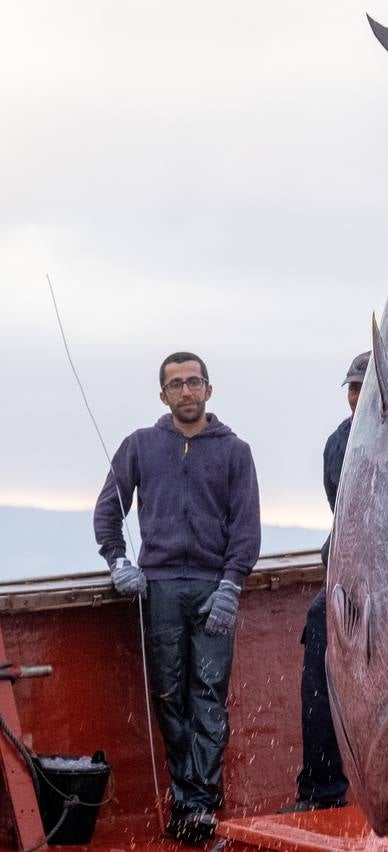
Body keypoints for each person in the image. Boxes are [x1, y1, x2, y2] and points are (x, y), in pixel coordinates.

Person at [94, 352, 260, 844]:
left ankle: (200, 805)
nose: (186, 391)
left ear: (209, 389)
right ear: (163, 395)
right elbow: (108, 511)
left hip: (214, 588)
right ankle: (192, 801)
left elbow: (246, 529)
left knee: (208, 697)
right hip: (160, 588)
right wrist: (119, 562)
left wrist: (232, 585)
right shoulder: (140, 446)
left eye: (194, 382)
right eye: (176, 384)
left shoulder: (235, 451)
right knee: (170, 698)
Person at [281, 350, 371, 813]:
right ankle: (320, 789)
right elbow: (342, 508)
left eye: (365, 386)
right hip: (348, 575)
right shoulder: (338, 442)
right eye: (353, 388)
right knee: (319, 634)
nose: (357, 396)